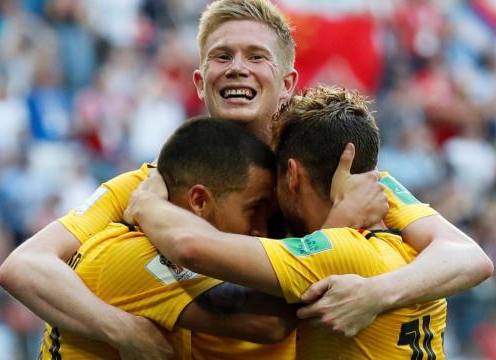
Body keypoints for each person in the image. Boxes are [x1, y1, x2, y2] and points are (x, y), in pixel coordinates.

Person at [0, 0, 492, 357]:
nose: (238, 68)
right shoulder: (151, 182)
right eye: (222, 55)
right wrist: (120, 330)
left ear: (288, 82)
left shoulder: (327, 170)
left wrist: (378, 293)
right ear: (199, 80)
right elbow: (25, 266)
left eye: (257, 56)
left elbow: (466, 256)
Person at [125, 86, 452, 359]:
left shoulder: (338, 253)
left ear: (292, 176)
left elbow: (188, 246)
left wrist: (146, 202)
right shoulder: (419, 253)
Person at [38, 117, 299, 359]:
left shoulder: (153, 243)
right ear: (199, 201)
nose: (261, 230)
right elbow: (271, 321)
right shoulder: (136, 256)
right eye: (254, 209)